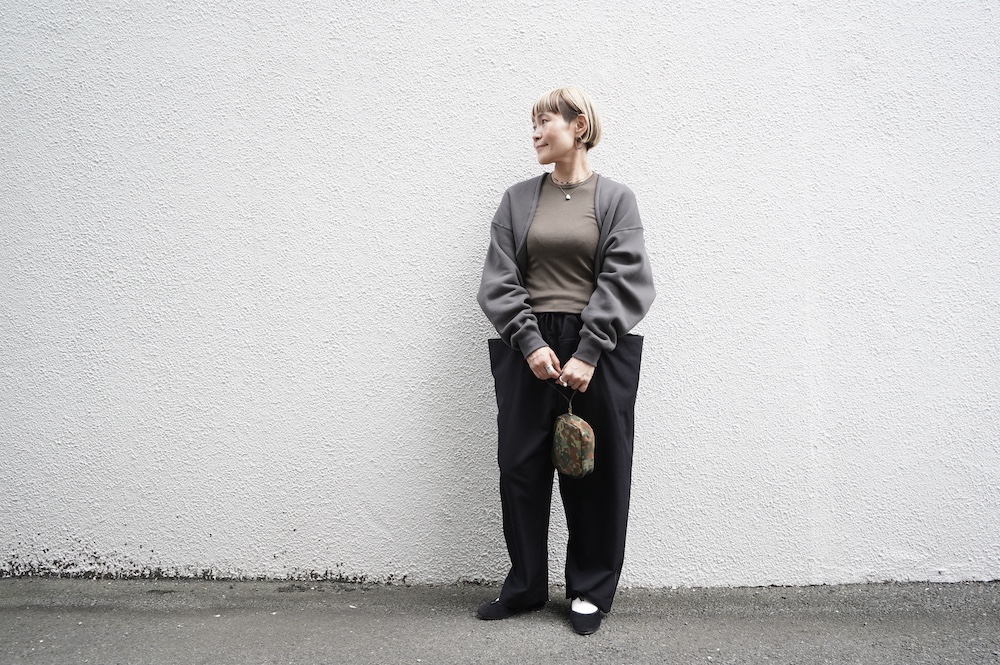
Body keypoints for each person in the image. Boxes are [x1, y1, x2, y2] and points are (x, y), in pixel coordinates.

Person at [475, 86, 655, 635]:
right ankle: (526, 585)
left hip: (595, 347)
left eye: (544, 121)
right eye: (531, 123)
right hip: (530, 345)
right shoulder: (517, 200)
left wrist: (590, 349)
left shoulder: (615, 199)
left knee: (596, 473)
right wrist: (529, 342)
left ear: (578, 126)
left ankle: (589, 591)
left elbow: (626, 277)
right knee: (520, 468)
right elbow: (500, 278)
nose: (534, 132)